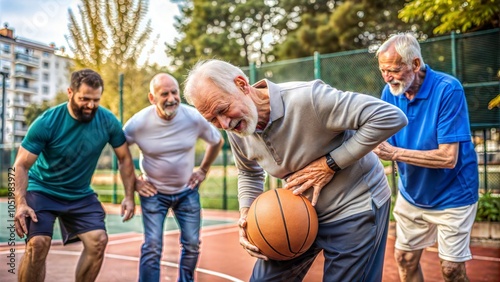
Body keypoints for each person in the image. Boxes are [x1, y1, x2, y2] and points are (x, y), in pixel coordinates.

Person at [183, 59, 408, 281]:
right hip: (296, 215)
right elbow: (249, 172)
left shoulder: (308, 98)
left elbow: (390, 117)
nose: (223, 124)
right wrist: (246, 214)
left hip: (354, 205)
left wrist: (330, 163)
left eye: (223, 110)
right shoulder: (237, 127)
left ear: (242, 85)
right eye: (212, 119)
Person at [373, 33, 479, 282]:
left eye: (394, 70)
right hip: (413, 194)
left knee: (451, 270)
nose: (388, 77)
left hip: (454, 194)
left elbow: (448, 157)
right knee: (404, 259)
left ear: (416, 64)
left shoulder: (447, 89)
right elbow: (380, 141)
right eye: (382, 70)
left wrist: (394, 153)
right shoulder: (389, 92)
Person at [13, 69, 136, 282]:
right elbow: (21, 165)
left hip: (79, 193)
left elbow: (125, 158)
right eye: (84, 99)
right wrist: (20, 203)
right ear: (70, 92)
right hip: (42, 189)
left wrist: (128, 195)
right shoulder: (48, 122)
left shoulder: (107, 121)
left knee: (98, 240)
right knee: (38, 243)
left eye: (96, 100)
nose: (90, 105)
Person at [123, 73, 224, 282]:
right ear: (152, 98)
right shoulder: (138, 123)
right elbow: (120, 151)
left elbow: (217, 141)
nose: (171, 98)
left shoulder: (193, 117)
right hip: (153, 193)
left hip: (186, 191)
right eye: (164, 94)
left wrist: (203, 170)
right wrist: (134, 182)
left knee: (192, 244)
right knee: (152, 246)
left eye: (174, 92)